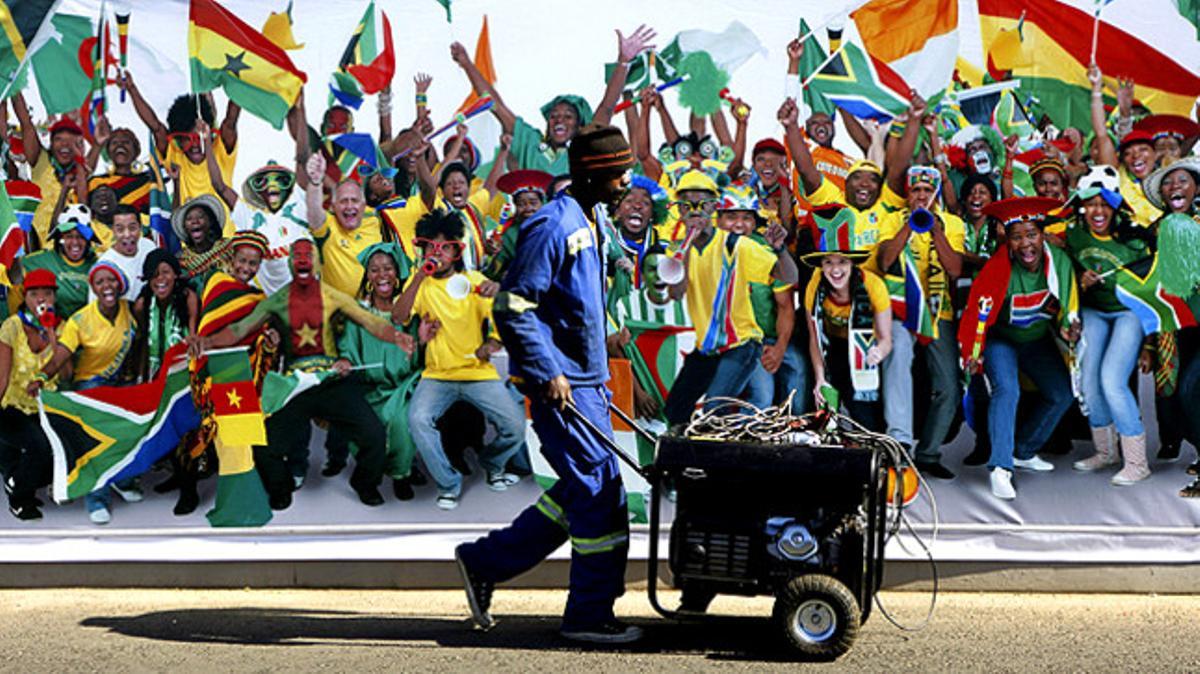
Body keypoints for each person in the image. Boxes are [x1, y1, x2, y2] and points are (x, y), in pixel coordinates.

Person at [455, 124, 642, 643]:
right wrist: (548, 370)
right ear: (593, 175)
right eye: (620, 174)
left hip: (589, 385)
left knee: (585, 489)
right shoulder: (553, 225)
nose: (628, 183)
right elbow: (512, 305)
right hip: (564, 389)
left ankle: (484, 561)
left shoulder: (592, 217)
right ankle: (588, 616)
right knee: (600, 496)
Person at [198, 240, 404, 510]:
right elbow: (238, 330)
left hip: (332, 382)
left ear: (317, 262)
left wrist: (397, 337)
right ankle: (280, 487)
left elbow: (371, 322)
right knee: (264, 446)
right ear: (290, 263)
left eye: (309, 256)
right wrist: (208, 342)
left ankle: (365, 484)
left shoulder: (334, 296)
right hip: (295, 385)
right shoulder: (277, 301)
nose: (303, 261)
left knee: (374, 435)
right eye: (298, 256)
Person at [393, 210, 523, 509]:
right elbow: (399, 316)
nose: (437, 253)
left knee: (515, 427)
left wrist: (493, 341)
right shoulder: (421, 285)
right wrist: (419, 276)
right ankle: (448, 483)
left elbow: (507, 313)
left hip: (478, 374)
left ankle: (492, 464)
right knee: (418, 420)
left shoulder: (473, 281)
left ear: (456, 252)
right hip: (437, 376)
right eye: (431, 247)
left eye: (445, 247)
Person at [959, 197, 1080, 501]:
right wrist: (972, 351)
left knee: (1061, 393)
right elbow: (977, 315)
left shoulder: (1059, 262)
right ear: (1009, 242)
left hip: (1036, 340)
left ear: (1042, 236)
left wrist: (1069, 326)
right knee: (1007, 390)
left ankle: (1023, 450)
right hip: (1002, 340)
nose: (1026, 244)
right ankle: (1000, 467)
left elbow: (1068, 304)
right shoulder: (998, 269)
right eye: (1017, 237)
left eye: (1031, 235)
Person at [662, 178, 799, 424]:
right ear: (680, 211)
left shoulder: (736, 245)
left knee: (715, 408)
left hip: (741, 343)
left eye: (702, 205)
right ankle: (687, 449)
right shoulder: (677, 250)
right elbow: (676, 293)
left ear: (713, 208)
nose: (695, 211)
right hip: (708, 347)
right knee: (675, 409)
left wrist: (780, 250)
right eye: (687, 205)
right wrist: (688, 243)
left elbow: (790, 277)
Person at [450, 26, 655, 174]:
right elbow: (494, 104)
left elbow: (607, 107)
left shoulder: (584, 146)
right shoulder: (531, 143)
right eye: (554, 116)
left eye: (568, 116)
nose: (559, 120)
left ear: (580, 124)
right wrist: (467, 63)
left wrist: (623, 62)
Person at [28, 261, 141, 524]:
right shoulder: (80, 320)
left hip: (122, 381)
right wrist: (42, 377)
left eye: (111, 280)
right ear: (93, 288)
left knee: (126, 436)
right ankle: (97, 499)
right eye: (100, 282)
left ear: (120, 284)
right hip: (91, 384)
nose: (106, 286)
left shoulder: (129, 309)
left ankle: (122, 481)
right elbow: (59, 357)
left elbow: (138, 342)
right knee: (95, 444)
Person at [873, 166, 966, 479]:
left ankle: (928, 453)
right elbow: (885, 261)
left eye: (927, 191)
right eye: (916, 191)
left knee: (949, 386)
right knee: (898, 359)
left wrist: (935, 230)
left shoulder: (952, 223)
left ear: (936, 194)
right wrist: (909, 226)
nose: (922, 196)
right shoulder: (892, 219)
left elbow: (955, 269)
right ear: (907, 194)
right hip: (902, 310)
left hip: (939, 313)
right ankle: (899, 443)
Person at [1064, 168, 1154, 484]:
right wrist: (1080, 280)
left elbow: (1152, 290)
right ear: (1082, 207)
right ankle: (1106, 452)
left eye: (1104, 204)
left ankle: (1138, 462)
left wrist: (1149, 344)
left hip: (1129, 312)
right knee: (1089, 381)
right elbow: (1060, 269)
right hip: (1094, 311)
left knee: (1112, 379)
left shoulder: (1135, 239)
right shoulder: (1073, 234)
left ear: (1116, 207)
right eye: (1091, 204)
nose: (1097, 211)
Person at [335, 243, 422, 500]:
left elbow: (420, 349)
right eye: (374, 270)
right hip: (369, 388)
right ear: (368, 276)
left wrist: (421, 342)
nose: (382, 275)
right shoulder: (358, 313)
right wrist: (344, 361)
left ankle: (401, 474)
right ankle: (369, 478)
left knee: (402, 423)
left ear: (398, 272)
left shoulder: (409, 310)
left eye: (388, 268)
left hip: (403, 386)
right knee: (366, 428)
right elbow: (348, 348)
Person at [1142, 156, 1200, 497]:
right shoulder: (1154, 232)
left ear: (1196, 189)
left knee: (1192, 388)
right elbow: (1151, 289)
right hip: (1175, 327)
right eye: (1167, 182)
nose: (1174, 186)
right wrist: (1149, 344)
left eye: (1182, 180)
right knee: (1174, 393)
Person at [802, 210, 893, 430]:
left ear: (852, 264)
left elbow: (886, 339)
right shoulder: (814, 286)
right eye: (828, 262)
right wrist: (820, 378)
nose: (835, 270)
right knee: (824, 405)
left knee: (864, 412)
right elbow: (814, 338)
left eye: (842, 262)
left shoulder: (873, 286)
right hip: (831, 346)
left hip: (865, 349)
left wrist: (878, 352)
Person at [121, 76, 240, 217]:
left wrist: (241, 79)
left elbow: (231, 120)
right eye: (187, 139)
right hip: (187, 231)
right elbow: (156, 127)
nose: (195, 144)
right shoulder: (174, 155)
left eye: (199, 137)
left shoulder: (220, 149)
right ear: (177, 139)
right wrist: (131, 89)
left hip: (225, 231)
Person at [0, 269, 60, 520]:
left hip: (46, 407)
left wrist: (53, 335)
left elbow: (67, 372)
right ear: (25, 297)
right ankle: (18, 497)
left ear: (54, 297)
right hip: (14, 405)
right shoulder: (12, 326)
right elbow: (2, 376)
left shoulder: (62, 326)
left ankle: (16, 480)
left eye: (47, 293)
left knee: (60, 451)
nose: (41, 299)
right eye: (34, 294)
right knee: (39, 447)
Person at [303, 154, 387, 296]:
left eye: (354, 200)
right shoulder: (328, 226)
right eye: (343, 201)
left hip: (373, 305)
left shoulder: (373, 220)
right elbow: (314, 210)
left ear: (363, 205)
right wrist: (315, 181)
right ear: (333, 206)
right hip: (337, 307)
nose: (349, 206)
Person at [10, 95, 89, 244]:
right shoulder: (40, 159)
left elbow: (84, 206)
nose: (64, 144)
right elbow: (25, 122)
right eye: (59, 139)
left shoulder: (81, 172)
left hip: (70, 247)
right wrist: (15, 88)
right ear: (51, 143)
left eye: (70, 141)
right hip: (35, 244)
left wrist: (79, 160)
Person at [9, 205, 97, 319]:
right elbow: (14, 286)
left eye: (81, 237)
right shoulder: (37, 261)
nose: (75, 242)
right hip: (46, 327)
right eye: (69, 236)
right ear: (59, 238)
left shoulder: (98, 265)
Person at [92, 205, 157, 302]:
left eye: (132, 228)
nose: (127, 234)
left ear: (140, 227)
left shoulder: (149, 246)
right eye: (120, 229)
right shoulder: (105, 265)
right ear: (113, 230)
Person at [174, 194, 230, 292]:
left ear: (210, 222)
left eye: (200, 217)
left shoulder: (227, 246)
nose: (195, 221)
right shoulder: (181, 260)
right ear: (185, 227)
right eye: (189, 219)